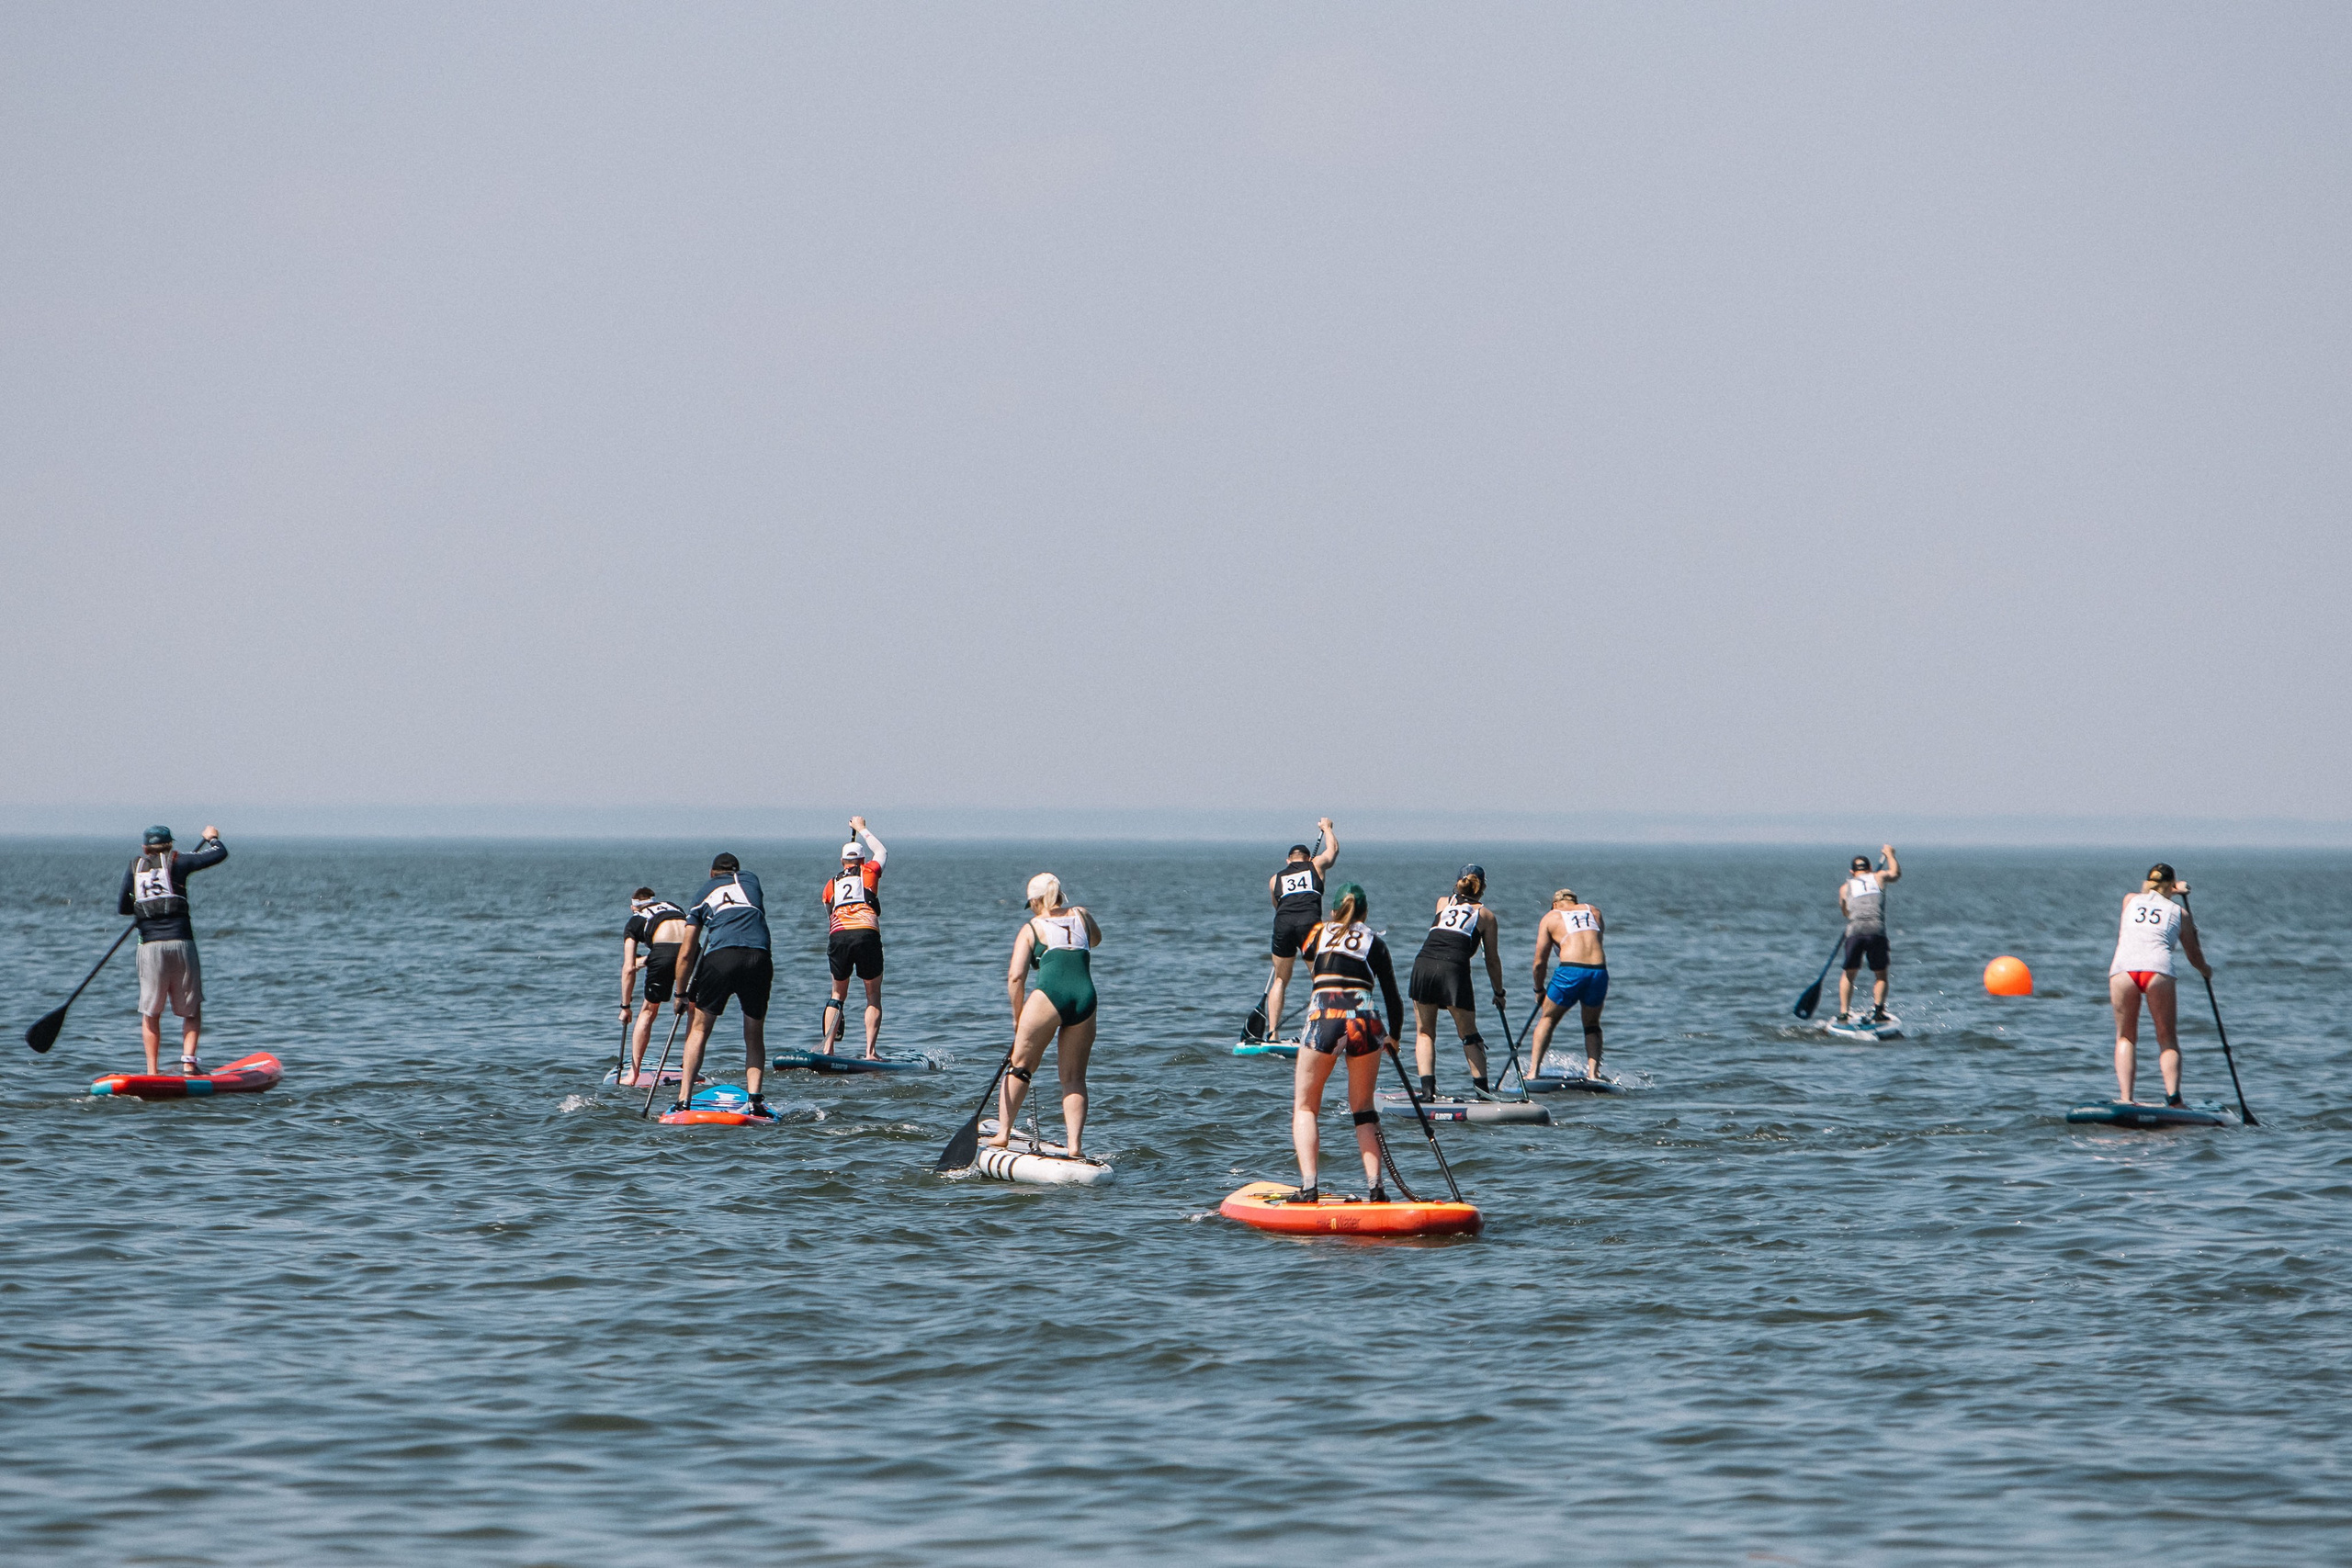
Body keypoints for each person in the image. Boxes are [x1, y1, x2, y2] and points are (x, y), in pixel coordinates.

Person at [1288, 883, 1405, 1202]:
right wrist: (1394, 1037)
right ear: (1365, 913)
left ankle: (1309, 1188)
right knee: (1364, 1109)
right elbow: (1393, 998)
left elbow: (1308, 952)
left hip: (1324, 1020)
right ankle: (1376, 1189)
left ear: (1333, 911)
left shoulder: (1316, 934)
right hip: (1365, 1021)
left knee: (1306, 1106)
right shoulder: (1375, 943)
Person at [990, 874, 1102, 1156]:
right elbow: (1096, 940)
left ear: (1036, 902)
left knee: (1020, 1067)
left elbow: (1016, 977)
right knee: (1074, 1077)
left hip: (1049, 996)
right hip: (1085, 998)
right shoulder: (1082, 915)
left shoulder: (1032, 927)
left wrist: (1018, 1017)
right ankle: (1075, 1146)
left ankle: (1002, 1135)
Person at [117, 824, 229, 1075]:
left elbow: (124, 908)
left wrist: (144, 904)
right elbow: (219, 853)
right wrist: (212, 838)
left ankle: (152, 1071)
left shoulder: (135, 867)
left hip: (149, 947)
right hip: (181, 943)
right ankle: (189, 1064)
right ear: (170, 846)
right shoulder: (179, 861)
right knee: (191, 1009)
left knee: (151, 1012)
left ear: (145, 848)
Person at [668, 852, 773, 1116]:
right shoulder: (751, 880)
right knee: (754, 1033)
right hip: (757, 958)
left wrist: (680, 994)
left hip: (720, 959)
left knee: (699, 1029)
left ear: (711, 873)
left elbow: (687, 952)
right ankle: (755, 1100)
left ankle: (684, 1099)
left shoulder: (703, 893)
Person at [2108, 863, 2211, 1107]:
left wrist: (2172, 889)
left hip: (2123, 969)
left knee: (2125, 1037)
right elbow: (2194, 956)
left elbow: (2152, 897)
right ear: (2171, 885)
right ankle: (2174, 1099)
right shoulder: (2180, 913)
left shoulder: (2129, 900)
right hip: (2158, 970)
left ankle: (2126, 1098)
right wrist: (2206, 970)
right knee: (2167, 1039)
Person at [1407, 863, 1507, 1099]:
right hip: (1453, 969)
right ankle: (1483, 1093)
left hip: (1424, 964)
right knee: (1469, 1034)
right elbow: (1492, 960)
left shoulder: (1443, 903)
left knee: (1425, 1032)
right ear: (1482, 888)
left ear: (1458, 883)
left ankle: (1427, 1092)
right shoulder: (1486, 916)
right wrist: (1499, 992)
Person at [1257, 818, 1338, 1041]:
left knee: (1280, 979)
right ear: (1307, 858)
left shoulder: (1275, 879)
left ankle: (1273, 1033)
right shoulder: (1316, 865)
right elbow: (1333, 851)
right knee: (1320, 978)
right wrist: (1327, 829)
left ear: (1288, 860)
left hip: (1283, 925)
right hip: (1309, 925)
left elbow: (1277, 906)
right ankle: (1323, 1031)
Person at [818, 817, 888, 1056]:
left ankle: (828, 1049)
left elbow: (830, 915)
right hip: (866, 934)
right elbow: (882, 851)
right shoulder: (870, 871)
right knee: (873, 995)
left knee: (837, 994)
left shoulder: (830, 885)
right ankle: (870, 1052)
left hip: (839, 936)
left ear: (842, 861)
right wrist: (862, 829)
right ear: (862, 860)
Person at [1527, 886, 1609, 1082]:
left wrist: (1539, 989)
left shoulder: (1551, 917)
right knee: (1592, 1024)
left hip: (1571, 971)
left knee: (1548, 1018)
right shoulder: (1594, 911)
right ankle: (1593, 1073)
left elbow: (1539, 962)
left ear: (1555, 904)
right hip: (1598, 971)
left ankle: (1533, 1072)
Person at [619, 887, 688, 1085]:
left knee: (649, 1010)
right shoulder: (674, 907)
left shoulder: (635, 920)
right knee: (693, 1009)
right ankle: (691, 1069)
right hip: (692, 950)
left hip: (663, 951)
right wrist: (647, 960)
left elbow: (628, 968)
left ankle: (633, 1075)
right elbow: (676, 948)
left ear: (633, 907)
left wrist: (625, 1007)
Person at [1835, 846, 1902, 1023]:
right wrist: (1890, 855)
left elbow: (1846, 912)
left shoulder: (1845, 888)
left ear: (1852, 872)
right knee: (1880, 975)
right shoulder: (1879, 877)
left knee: (1849, 974)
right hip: (1876, 931)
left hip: (1855, 932)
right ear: (1870, 868)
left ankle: (1844, 1012)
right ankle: (1878, 1010)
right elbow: (1895, 874)